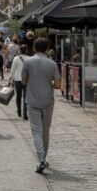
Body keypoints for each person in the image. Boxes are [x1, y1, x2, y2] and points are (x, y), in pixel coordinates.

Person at [21, 38, 61, 174]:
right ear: (47, 48)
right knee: (45, 130)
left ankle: (41, 159)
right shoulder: (52, 63)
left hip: (32, 100)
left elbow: (24, 82)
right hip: (48, 100)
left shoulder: (27, 62)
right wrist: (47, 83)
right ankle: (44, 157)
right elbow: (58, 85)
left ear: (34, 47)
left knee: (36, 130)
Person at [9, 45, 31, 119]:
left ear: (20, 51)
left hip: (17, 79)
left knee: (18, 96)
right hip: (27, 80)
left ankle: (19, 110)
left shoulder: (16, 58)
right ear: (27, 50)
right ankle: (25, 113)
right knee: (26, 97)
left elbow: (13, 70)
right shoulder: (30, 59)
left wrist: (11, 79)